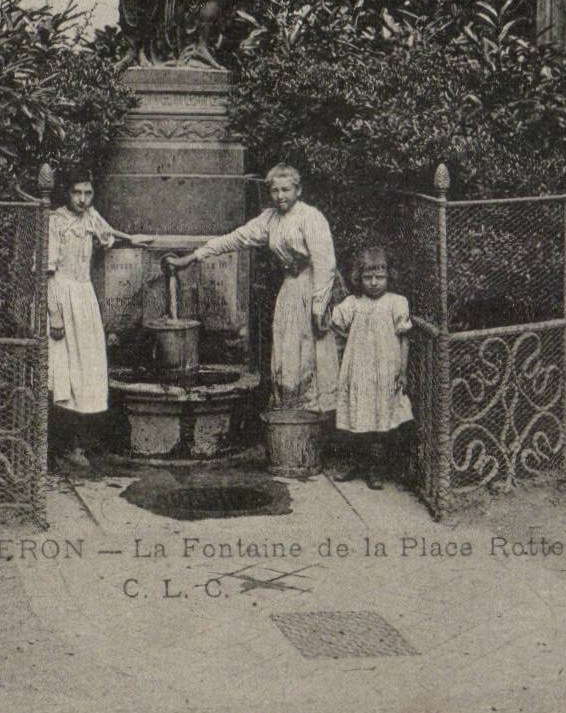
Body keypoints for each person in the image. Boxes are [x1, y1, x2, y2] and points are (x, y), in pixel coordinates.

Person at [166, 164, 338, 415]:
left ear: (298, 190)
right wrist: (192, 257)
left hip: (312, 287)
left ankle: (313, 414)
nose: (280, 196)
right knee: (286, 348)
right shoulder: (269, 218)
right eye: (275, 191)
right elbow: (236, 238)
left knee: (310, 348)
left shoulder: (311, 217)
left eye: (286, 190)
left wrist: (319, 305)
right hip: (290, 289)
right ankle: (289, 410)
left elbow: (325, 263)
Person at [47, 177, 151, 468]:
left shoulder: (90, 216)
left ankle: (78, 444)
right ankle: (59, 446)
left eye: (88, 193)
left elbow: (107, 232)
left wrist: (131, 239)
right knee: (64, 373)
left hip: (84, 297)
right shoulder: (56, 221)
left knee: (88, 370)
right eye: (77, 192)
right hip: (62, 296)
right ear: (67, 193)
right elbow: (48, 272)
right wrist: (54, 313)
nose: (82, 199)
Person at [329, 246, 412, 489]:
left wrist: (403, 370)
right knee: (357, 414)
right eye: (368, 277)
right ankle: (355, 462)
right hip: (358, 370)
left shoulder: (396, 303)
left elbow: (404, 337)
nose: (374, 282)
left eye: (380, 277)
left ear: (389, 277)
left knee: (379, 418)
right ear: (359, 278)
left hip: (385, 370)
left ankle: (376, 468)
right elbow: (335, 326)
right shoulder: (352, 303)